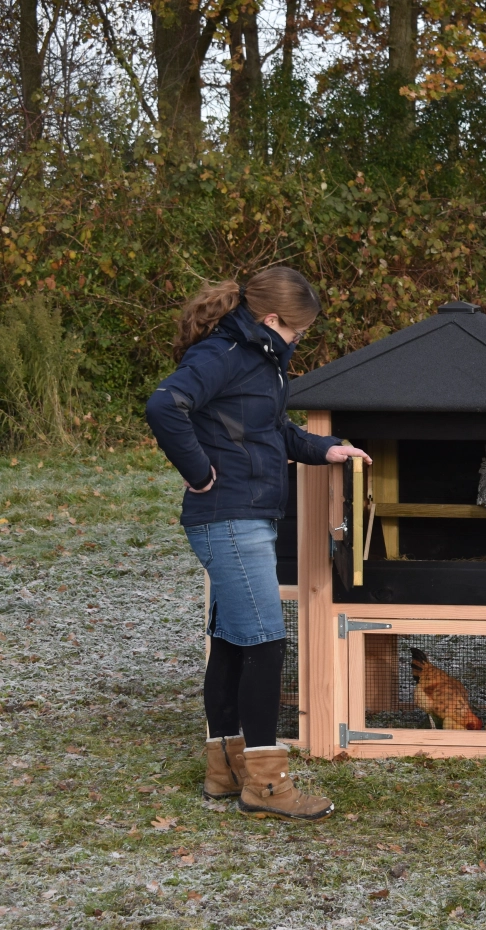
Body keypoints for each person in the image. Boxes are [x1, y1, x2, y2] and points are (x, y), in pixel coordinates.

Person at [145, 266, 370, 822]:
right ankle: (267, 787)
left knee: (232, 640)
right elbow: (164, 405)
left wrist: (326, 448)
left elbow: (271, 431)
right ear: (271, 320)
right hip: (229, 517)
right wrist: (199, 473)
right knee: (266, 642)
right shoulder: (222, 354)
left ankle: (225, 770)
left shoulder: (260, 358)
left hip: (246, 516)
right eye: (297, 330)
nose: (299, 339)